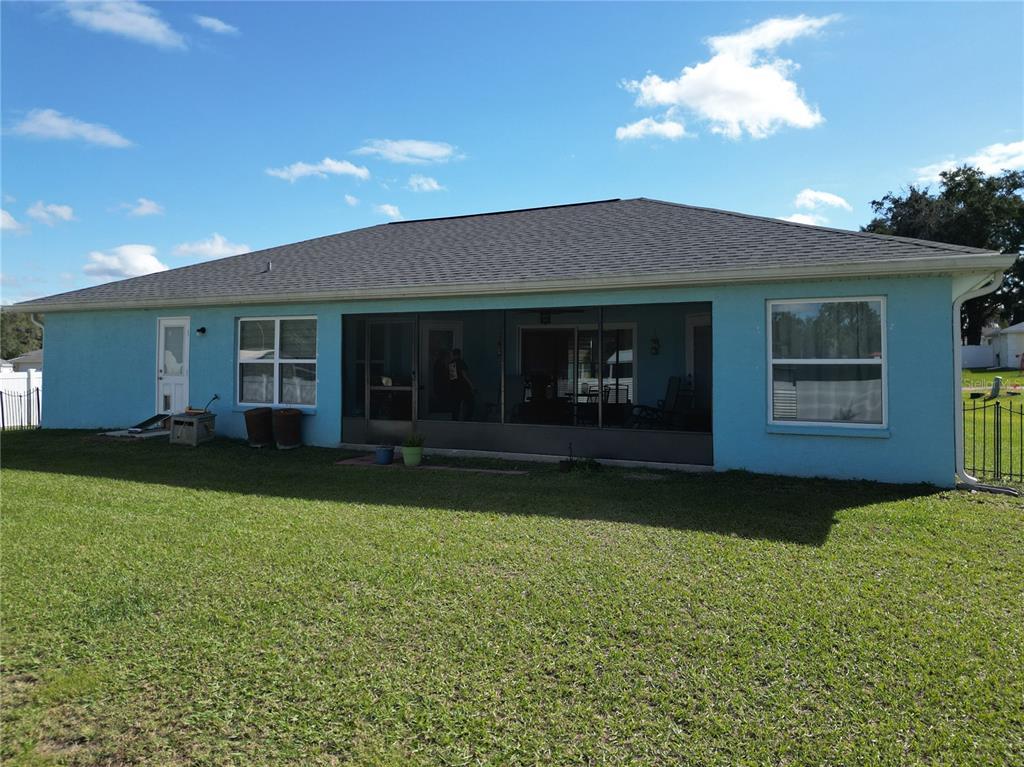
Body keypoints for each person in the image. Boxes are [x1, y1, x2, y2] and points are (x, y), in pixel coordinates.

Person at [448, 348, 475, 421]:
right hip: (464, 387)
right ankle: (467, 419)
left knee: (456, 406)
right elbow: (465, 375)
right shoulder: (461, 362)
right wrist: (471, 385)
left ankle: (455, 421)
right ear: (459, 354)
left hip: (455, 388)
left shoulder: (452, 363)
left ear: (453, 354)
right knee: (470, 403)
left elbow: (453, 377)